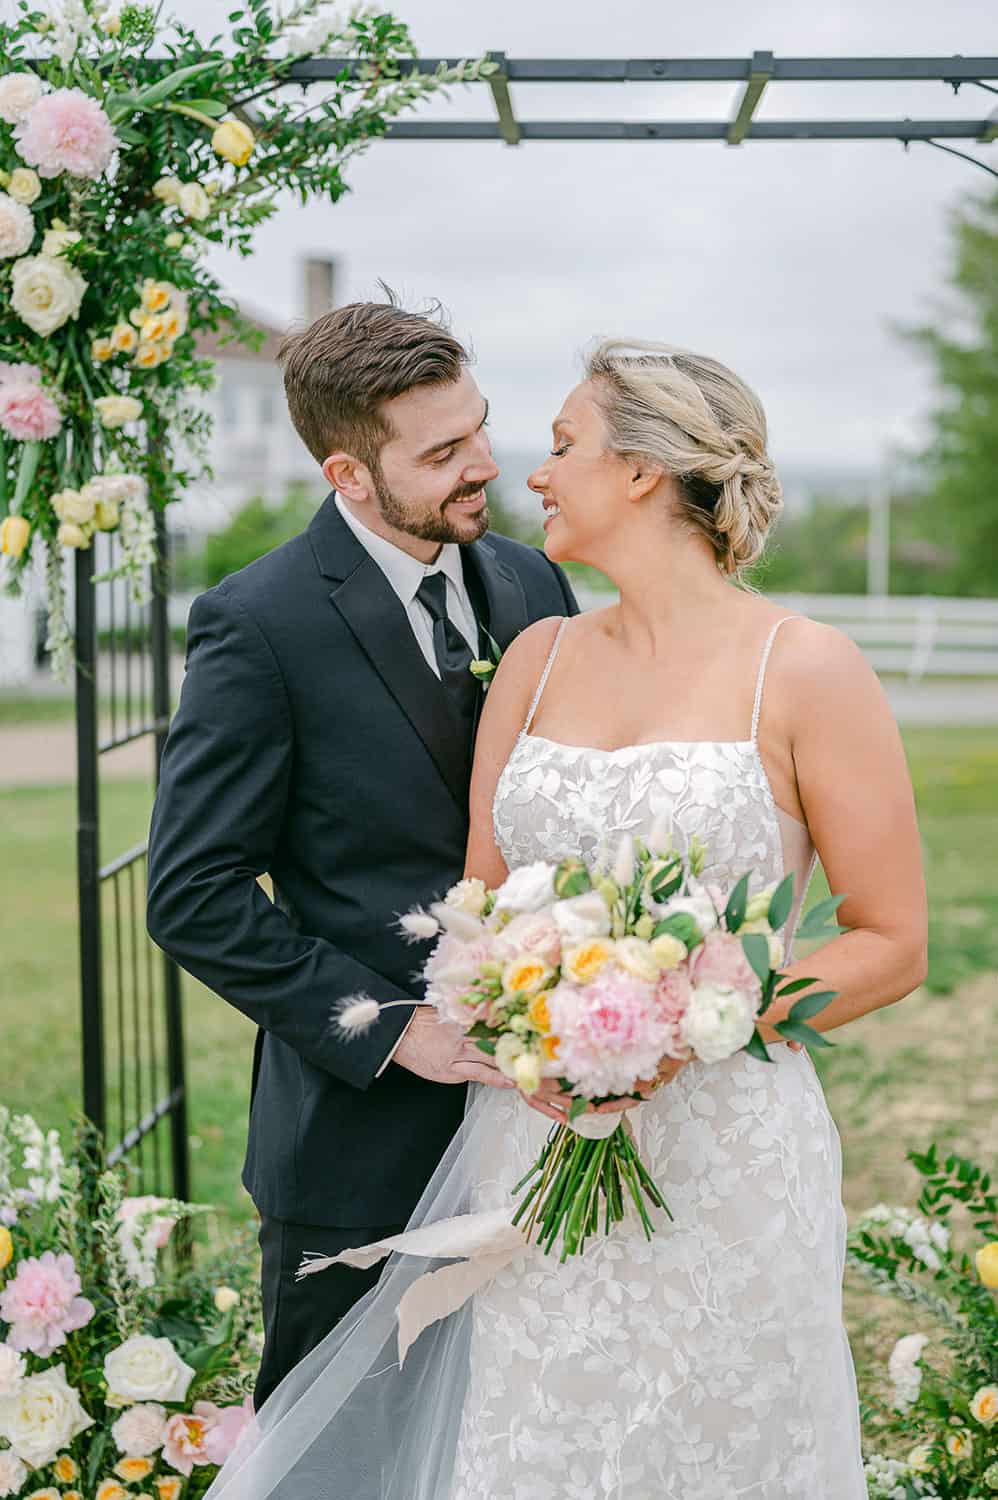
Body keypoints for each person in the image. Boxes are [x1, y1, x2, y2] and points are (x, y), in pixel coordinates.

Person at [203, 340, 928, 1499]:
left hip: (726, 1150)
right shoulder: (536, 655)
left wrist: (694, 1020)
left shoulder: (807, 669)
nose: (525, 473)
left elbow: (890, 939)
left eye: (556, 444)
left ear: (641, 473)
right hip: (530, 1137)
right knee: (530, 1442)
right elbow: (476, 913)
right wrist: (528, 1026)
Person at [145, 293, 578, 1413]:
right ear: (347, 475)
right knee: (342, 1456)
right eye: (442, 452)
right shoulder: (260, 622)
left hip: (537, 1127)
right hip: (358, 1147)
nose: (484, 464)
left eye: (479, 425)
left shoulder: (533, 586)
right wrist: (396, 1032)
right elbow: (193, 894)